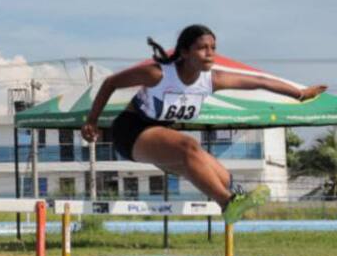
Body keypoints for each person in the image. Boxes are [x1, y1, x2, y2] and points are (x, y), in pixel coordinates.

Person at [81, 25, 327, 223]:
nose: (210, 53)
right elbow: (111, 83)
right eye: (202, 48)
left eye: (213, 48)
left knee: (207, 165)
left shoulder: (211, 80)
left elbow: (260, 81)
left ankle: (235, 194)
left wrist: (299, 93)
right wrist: (92, 120)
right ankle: (228, 203)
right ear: (185, 52)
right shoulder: (157, 74)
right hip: (131, 131)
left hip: (161, 134)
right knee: (189, 146)